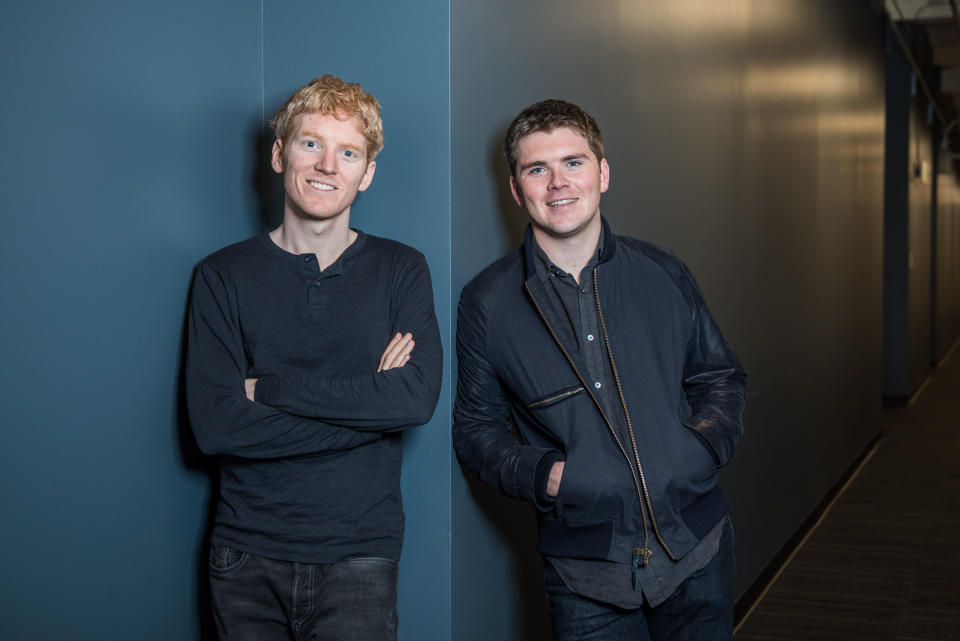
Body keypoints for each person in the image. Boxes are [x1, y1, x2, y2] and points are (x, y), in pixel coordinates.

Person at [453, 99, 747, 640]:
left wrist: (698, 450)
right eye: (537, 169)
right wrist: (550, 476)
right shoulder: (487, 301)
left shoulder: (663, 271)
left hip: (699, 547)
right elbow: (476, 432)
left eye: (574, 162)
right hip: (586, 572)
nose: (558, 183)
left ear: (603, 173)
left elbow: (719, 378)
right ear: (516, 189)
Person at [186, 75, 442, 641]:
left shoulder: (403, 270)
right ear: (279, 155)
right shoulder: (221, 275)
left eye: (348, 152)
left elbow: (415, 398)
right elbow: (216, 425)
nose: (328, 165)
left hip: (361, 557)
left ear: (366, 173)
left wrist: (269, 389)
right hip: (245, 553)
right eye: (311, 144)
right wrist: (370, 409)